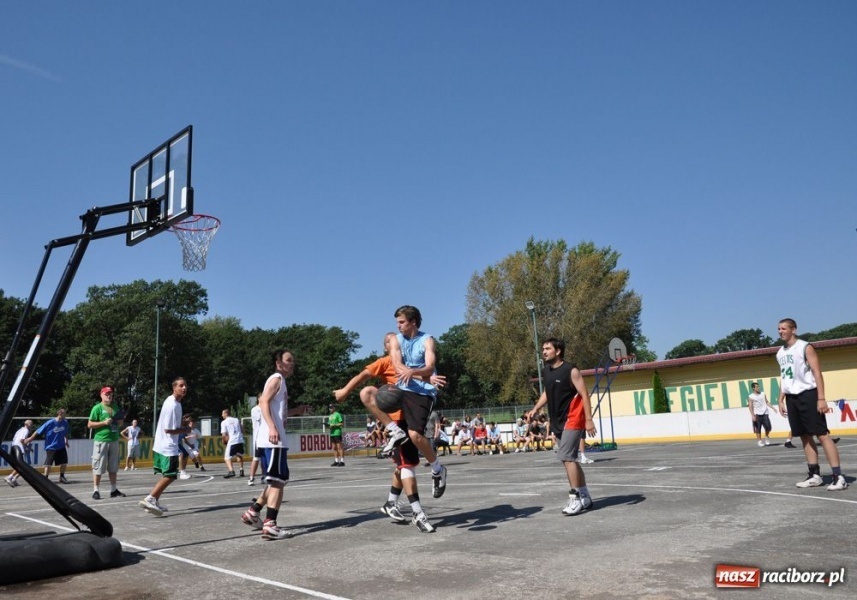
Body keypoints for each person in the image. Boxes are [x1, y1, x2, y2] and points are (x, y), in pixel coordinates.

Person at [776, 318, 847, 491]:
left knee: (822, 435)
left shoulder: (805, 347)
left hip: (808, 394)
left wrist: (821, 398)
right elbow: (785, 377)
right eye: (779, 329)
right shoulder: (780, 353)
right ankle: (814, 475)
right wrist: (780, 399)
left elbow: (816, 372)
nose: (780, 331)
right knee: (804, 436)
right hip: (792, 398)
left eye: (784, 328)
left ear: (793, 330)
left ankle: (838, 476)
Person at [528, 338, 596, 516]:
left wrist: (589, 419)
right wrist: (536, 408)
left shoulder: (571, 370)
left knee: (566, 457)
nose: (544, 351)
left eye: (547, 348)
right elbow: (547, 392)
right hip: (557, 421)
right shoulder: (547, 370)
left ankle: (575, 498)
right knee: (570, 459)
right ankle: (585, 495)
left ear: (558, 351)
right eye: (543, 348)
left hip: (573, 419)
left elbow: (584, 394)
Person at [387, 306, 448, 498]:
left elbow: (430, 367)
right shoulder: (396, 339)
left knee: (414, 434)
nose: (398, 325)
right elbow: (397, 365)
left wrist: (415, 372)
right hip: (402, 389)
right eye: (397, 322)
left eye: (402, 322)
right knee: (371, 395)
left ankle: (437, 469)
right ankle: (392, 431)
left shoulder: (427, 340)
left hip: (423, 391)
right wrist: (414, 373)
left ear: (413, 322)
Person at [240, 349, 298, 540]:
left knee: (276, 481)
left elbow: (276, 409)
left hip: (273, 441)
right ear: (278, 363)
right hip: (273, 440)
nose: (292, 363)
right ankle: (270, 524)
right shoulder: (276, 378)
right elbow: (263, 401)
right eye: (288, 360)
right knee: (278, 482)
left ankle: (253, 511)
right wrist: (272, 427)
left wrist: (298, 410)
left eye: (292, 360)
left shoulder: (281, 381)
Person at [139, 377, 192, 516]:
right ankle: (150, 498)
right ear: (174, 388)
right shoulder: (173, 405)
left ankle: (154, 501)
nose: (184, 388)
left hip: (163, 444)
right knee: (170, 475)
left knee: (167, 474)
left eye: (185, 385)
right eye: (181, 385)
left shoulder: (175, 403)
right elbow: (168, 429)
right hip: (168, 446)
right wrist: (185, 430)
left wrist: (182, 426)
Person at [87, 386, 125, 499]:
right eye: (107, 394)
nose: (109, 396)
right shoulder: (97, 408)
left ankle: (113, 490)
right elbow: (89, 424)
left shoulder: (115, 407)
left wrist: (119, 422)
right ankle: (96, 490)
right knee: (98, 466)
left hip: (114, 440)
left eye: (111, 394)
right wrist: (104, 423)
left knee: (113, 467)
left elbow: (121, 422)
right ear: (101, 395)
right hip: (101, 440)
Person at [25, 408, 71, 483]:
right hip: (51, 446)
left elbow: (66, 432)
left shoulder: (65, 422)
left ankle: (62, 477)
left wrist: (66, 441)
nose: (65, 415)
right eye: (64, 414)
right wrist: (31, 438)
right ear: (59, 414)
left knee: (64, 462)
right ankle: (45, 478)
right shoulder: (50, 422)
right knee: (48, 463)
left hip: (61, 446)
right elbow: (38, 431)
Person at [5, 420, 33, 487]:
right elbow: (21, 440)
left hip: (14, 447)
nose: (32, 425)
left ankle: (14, 479)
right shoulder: (26, 430)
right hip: (18, 448)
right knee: (21, 466)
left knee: (22, 466)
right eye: (31, 423)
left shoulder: (19, 430)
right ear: (26, 424)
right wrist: (27, 447)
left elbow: (15, 439)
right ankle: (10, 477)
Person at [748, 381, 774, 447]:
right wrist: (752, 415)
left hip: (765, 413)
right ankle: (759, 441)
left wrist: (773, 408)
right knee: (758, 428)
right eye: (756, 387)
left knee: (768, 427)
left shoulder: (763, 394)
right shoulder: (751, 396)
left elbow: (767, 402)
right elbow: (750, 406)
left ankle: (766, 436)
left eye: (758, 386)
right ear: (753, 388)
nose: (758, 388)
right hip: (757, 414)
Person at [220, 408, 245, 478]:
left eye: (222, 413)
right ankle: (241, 470)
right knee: (239, 455)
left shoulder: (224, 422)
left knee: (227, 457)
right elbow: (242, 430)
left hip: (232, 441)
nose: (222, 415)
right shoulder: (236, 419)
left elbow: (224, 435)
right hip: (240, 440)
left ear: (226, 414)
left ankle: (231, 471)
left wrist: (224, 441)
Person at [248, 402, 265, 485]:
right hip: (258, 438)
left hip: (266, 437)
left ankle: (264, 477)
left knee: (265, 459)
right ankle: (251, 478)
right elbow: (261, 418)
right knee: (256, 458)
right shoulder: (255, 410)